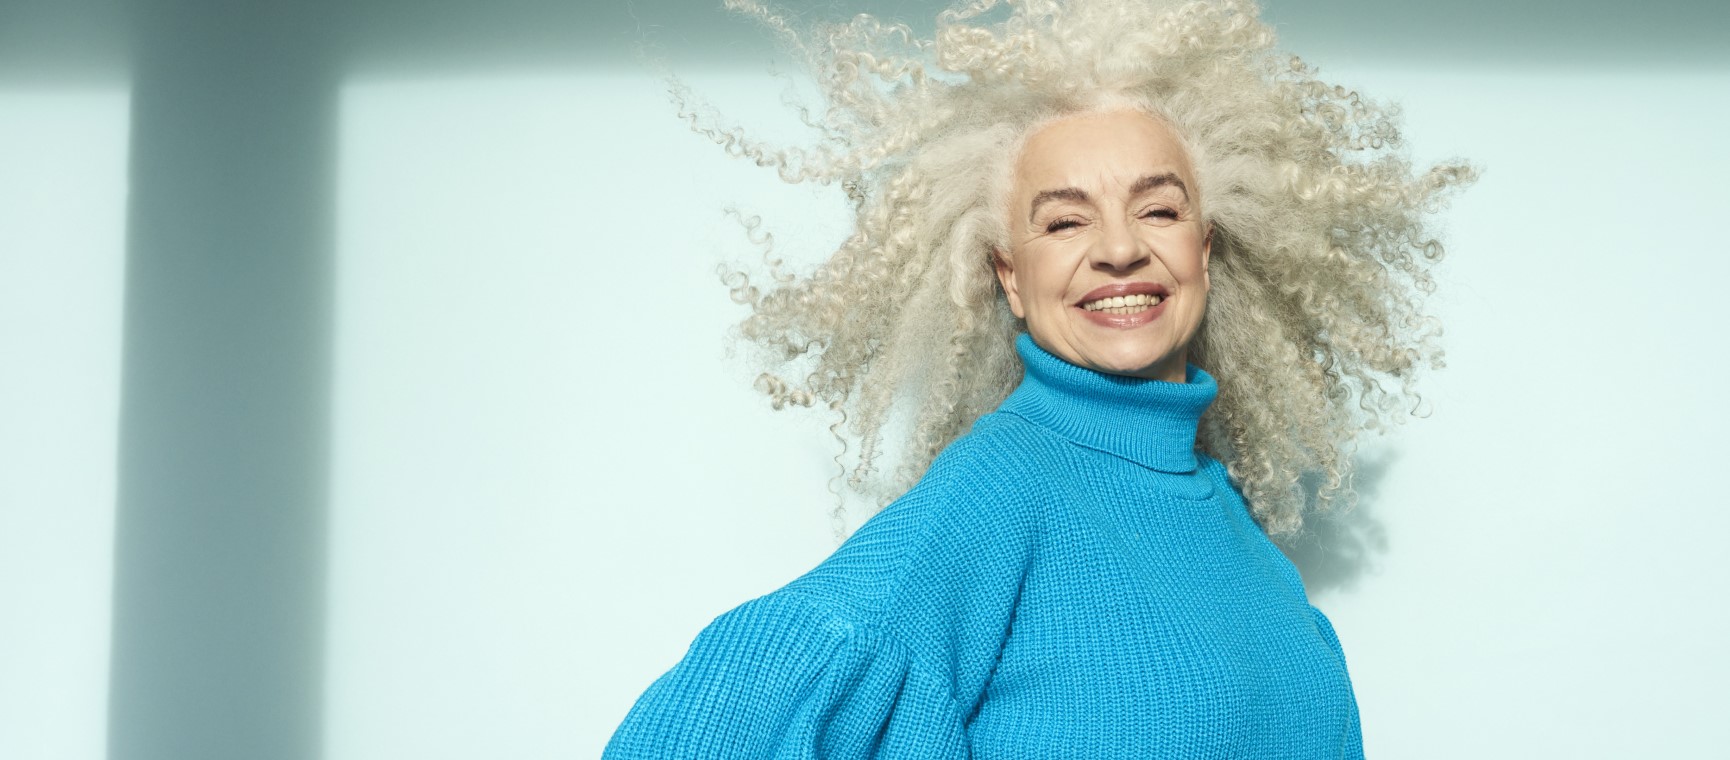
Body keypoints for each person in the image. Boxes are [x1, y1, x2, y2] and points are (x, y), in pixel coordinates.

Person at [607, 0, 1474, 756]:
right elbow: (740, 709)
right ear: (1011, 279)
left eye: (1159, 209)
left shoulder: (1240, 535)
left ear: (1204, 250)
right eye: (1064, 222)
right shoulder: (1001, 487)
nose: (1119, 248)